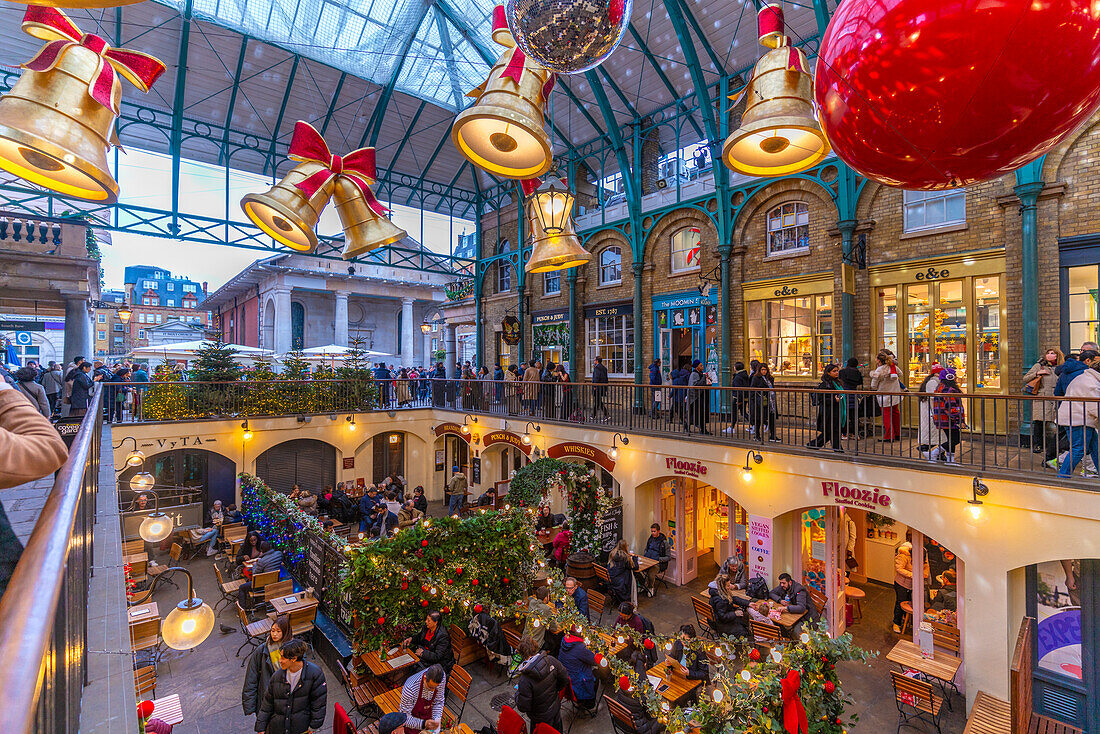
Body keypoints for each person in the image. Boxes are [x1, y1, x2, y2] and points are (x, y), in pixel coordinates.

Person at [254, 639, 327, 734]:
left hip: (301, 728)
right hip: (278, 728)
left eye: (283, 657)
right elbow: (267, 703)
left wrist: (314, 726)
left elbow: (319, 704)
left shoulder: (315, 674)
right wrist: (261, 727)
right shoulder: (277, 676)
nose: (279, 660)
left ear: (294, 658)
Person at [1056, 349, 1100, 477]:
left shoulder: (1085, 377)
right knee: (1078, 449)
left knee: (1095, 448)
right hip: (1079, 420)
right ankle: (1063, 476)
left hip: (1076, 417)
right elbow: (1095, 407)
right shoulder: (1092, 384)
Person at [514, 636, 569, 732]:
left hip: (539, 718)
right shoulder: (551, 660)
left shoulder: (525, 680)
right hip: (555, 710)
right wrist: (555, 690)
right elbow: (564, 678)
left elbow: (523, 706)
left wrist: (517, 695)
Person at [243, 615, 292, 719]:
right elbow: (251, 678)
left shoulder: (294, 650)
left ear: (285, 632)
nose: (274, 634)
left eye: (278, 631)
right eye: (273, 630)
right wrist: (249, 706)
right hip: (269, 699)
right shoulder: (262, 651)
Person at [377, 664, 446, 734]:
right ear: (425, 678)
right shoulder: (410, 689)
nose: (433, 690)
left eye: (436, 687)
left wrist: (437, 719)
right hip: (412, 720)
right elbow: (405, 718)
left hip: (426, 715)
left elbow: (438, 701)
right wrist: (423, 724)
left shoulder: (441, 678)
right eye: (430, 687)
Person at [1024, 347, 1064, 461]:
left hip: (1057, 397)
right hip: (1042, 397)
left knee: (1059, 423)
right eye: (1048, 353)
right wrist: (1037, 373)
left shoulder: (1061, 367)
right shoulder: (1039, 365)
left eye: (1053, 353)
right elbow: (1025, 378)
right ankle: (1038, 444)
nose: (1050, 355)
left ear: (1058, 355)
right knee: (1039, 422)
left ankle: (1058, 446)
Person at [557, 627, 598, 715]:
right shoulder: (579, 647)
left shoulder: (565, 640)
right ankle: (590, 706)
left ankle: (582, 702)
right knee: (597, 676)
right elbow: (594, 660)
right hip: (578, 684)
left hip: (567, 680)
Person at [807, 364, 846, 452]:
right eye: (834, 371)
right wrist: (833, 400)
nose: (837, 373)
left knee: (831, 431)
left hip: (836, 410)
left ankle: (814, 445)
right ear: (828, 373)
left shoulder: (837, 382)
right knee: (831, 431)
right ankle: (837, 449)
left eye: (837, 371)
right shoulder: (825, 384)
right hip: (828, 412)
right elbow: (822, 399)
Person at [931, 369, 966, 464]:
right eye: (954, 375)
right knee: (955, 439)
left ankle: (951, 460)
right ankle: (934, 453)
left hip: (943, 418)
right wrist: (959, 420)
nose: (956, 377)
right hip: (948, 419)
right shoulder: (949, 390)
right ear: (949, 377)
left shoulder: (941, 387)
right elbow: (951, 407)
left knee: (951, 439)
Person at [871, 349, 903, 442]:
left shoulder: (879, 370)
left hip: (884, 395)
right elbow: (900, 374)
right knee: (895, 414)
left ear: (879, 360)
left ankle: (889, 436)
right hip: (895, 394)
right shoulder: (893, 367)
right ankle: (897, 434)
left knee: (887, 416)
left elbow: (873, 385)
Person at [239, 541, 283, 606]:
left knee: (242, 587)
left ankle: (243, 608)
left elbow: (255, 574)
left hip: (262, 585)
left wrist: (255, 565)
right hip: (275, 581)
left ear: (261, 550)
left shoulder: (262, 561)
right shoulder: (279, 554)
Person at [916, 363, 946, 460]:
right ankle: (927, 449)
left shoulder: (934, 381)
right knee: (937, 435)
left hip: (934, 412)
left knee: (939, 435)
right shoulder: (933, 382)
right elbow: (934, 397)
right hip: (933, 412)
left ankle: (937, 453)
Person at [750, 363, 779, 442]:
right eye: (762, 370)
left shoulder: (770, 378)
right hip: (760, 402)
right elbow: (752, 390)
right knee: (758, 419)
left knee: (772, 418)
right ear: (759, 370)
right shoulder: (756, 378)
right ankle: (757, 435)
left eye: (765, 369)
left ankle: (773, 436)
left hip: (771, 401)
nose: (764, 371)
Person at [641, 523, 670, 596]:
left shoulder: (664, 543)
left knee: (651, 573)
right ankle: (644, 584)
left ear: (658, 531)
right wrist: (646, 555)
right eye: (652, 531)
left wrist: (658, 559)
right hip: (648, 560)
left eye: (654, 531)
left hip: (658, 563)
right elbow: (646, 549)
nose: (653, 533)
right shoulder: (650, 539)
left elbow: (668, 557)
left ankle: (650, 588)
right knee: (638, 568)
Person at [607, 539, 639, 605]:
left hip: (611, 580)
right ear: (625, 547)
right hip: (619, 583)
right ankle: (632, 596)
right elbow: (635, 567)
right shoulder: (625, 557)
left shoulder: (612, 553)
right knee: (629, 572)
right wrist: (635, 558)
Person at [892, 541, 915, 634]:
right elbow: (899, 569)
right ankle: (896, 623)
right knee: (900, 602)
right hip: (901, 583)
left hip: (910, 584)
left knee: (908, 602)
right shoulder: (903, 556)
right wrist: (912, 575)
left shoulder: (915, 556)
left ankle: (905, 620)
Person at [838, 357, 864, 436]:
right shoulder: (858, 373)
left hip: (845, 395)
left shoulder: (843, 372)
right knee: (854, 416)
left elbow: (840, 378)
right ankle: (856, 434)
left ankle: (845, 433)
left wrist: (840, 369)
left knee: (844, 415)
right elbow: (860, 382)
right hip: (854, 394)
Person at [524, 585, 555, 649]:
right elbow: (554, 628)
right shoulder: (546, 609)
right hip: (535, 644)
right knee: (554, 642)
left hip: (525, 640)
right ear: (546, 598)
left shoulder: (532, 603)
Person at [687, 360, 711, 434]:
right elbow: (696, 385)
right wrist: (704, 377)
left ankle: (702, 429)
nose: (702, 367)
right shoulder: (694, 374)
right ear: (697, 367)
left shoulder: (700, 374)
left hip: (700, 396)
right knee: (697, 413)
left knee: (699, 413)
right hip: (695, 397)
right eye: (700, 365)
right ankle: (701, 428)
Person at [731, 361, 751, 431]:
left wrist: (739, 400)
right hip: (745, 397)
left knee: (734, 412)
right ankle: (754, 424)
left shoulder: (738, 377)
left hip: (738, 398)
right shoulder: (745, 375)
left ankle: (732, 427)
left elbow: (738, 390)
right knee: (743, 412)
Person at [591, 356, 610, 421]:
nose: (594, 361)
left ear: (597, 361)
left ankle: (606, 415)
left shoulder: (597, 368)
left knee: (598, 401)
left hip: (598, 388)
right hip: (602, 387)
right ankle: (593, 415)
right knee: (598, 401)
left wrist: (594, 386)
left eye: (594, 360)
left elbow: (596, 377)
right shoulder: (604, 368)